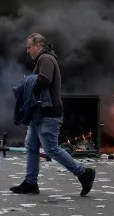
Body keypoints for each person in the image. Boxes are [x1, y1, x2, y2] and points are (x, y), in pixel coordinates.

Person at [10, 33, 95, 196]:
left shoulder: (46, 59)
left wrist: (27, 82)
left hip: (48, 114)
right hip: (39, 112)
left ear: (38, 46)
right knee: (32, 146)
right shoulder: (42, 59)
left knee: (51, 148)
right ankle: (30, 183)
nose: (28, 51)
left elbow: (45, 80)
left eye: (29, 47)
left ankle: (83, 173)